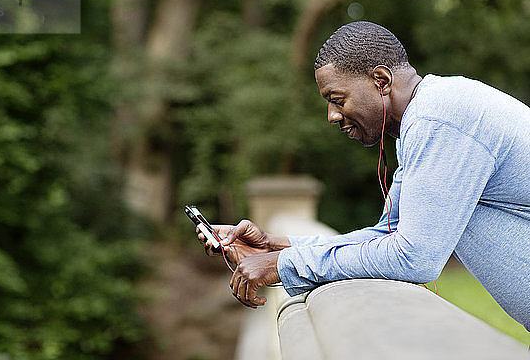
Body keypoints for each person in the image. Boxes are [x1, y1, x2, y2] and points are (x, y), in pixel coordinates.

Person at [195, 21, 530, 331]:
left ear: (381, 81)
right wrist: (275, 245)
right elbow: (388, 233)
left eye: (337, 100)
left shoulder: (441, 122)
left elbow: (412, 257)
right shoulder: (430, 116)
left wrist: (283, 264)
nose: (331, 116)